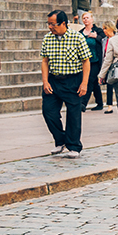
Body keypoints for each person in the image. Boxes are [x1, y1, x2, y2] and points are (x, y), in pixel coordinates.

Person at [40, 10, 91, 158]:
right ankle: (60, 140)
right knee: (48, 111)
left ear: (63, 23)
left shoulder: (77, 38)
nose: (50, 27)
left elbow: (86, 61)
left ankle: (74, 145)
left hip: (73, 79)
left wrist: (84, 83)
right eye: (48, 24)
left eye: (53, 24)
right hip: (53, 79)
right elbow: (44, 61)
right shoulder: (47, 38)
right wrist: (45, 81)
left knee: (74, 114)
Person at [79, 11, 105, 111]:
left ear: (92, 19)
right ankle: (100, 103)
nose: (86, 20)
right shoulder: (80, 33)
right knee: (94, 83)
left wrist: (96, 37)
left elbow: (106, 40)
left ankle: (83, 103)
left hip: (95, 61)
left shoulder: (98, 30)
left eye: (87, 18)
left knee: (89, 80)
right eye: (84, 18)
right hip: (85, 61)